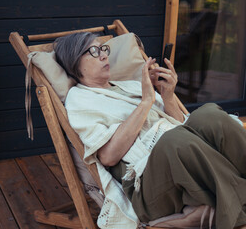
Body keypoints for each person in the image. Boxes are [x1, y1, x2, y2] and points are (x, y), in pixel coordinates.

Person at [54, 32, 246, 229]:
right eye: (93, 51)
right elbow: (108, 157)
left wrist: (168, 95)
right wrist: (146, 101)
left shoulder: (129, 86)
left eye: (103, 49)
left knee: (209, 114)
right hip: (145, 188)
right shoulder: (79, 100)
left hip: (178, 159)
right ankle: (238, 206)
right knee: (176, 139)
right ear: (74, 63)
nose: (103, 55)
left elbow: (179, 123)